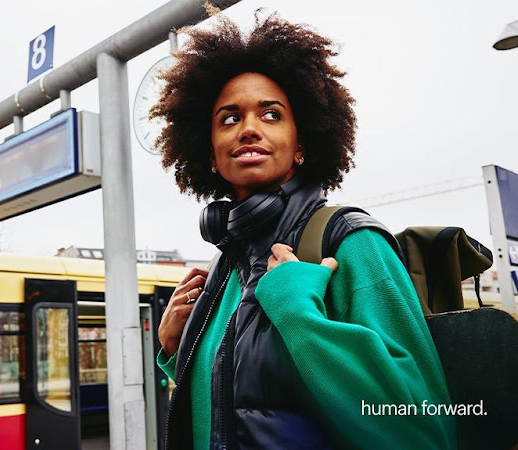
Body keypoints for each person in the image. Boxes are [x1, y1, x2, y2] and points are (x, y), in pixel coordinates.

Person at [151, 10, 455, 450]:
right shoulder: (225, 265)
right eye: (229, 118)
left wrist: (299, 316)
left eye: (271, 115)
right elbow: (236, 407)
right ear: (211, 156)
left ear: (301, 146)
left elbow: (425, 431)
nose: (250, 128)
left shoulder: (351, 241)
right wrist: (176, 350)